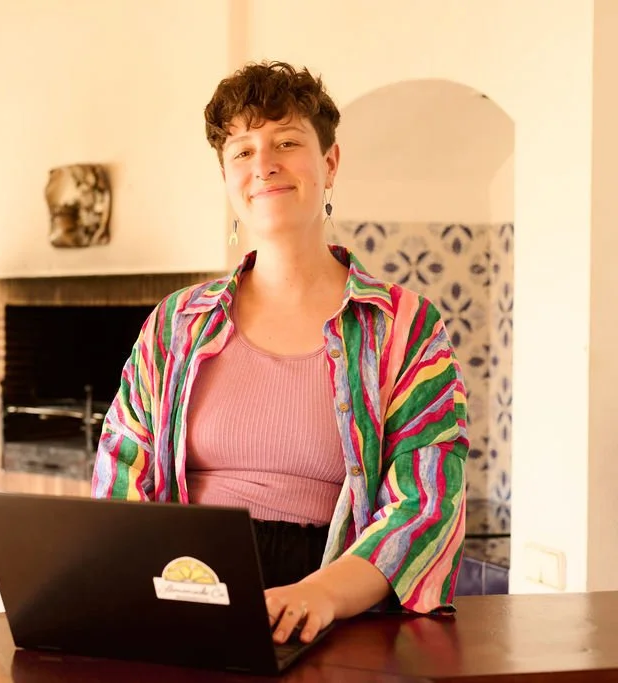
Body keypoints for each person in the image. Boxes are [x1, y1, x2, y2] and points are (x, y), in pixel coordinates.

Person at [91, 61, 468, 647]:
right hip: (186, 592)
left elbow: (427, 506)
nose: (263, 164)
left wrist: (320, 593)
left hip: (336, 602)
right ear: (225, 176)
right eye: (241, 151)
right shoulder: (175, 323)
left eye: (287, 142)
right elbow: (121, 473)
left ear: (330, 163)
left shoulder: (405, 328)